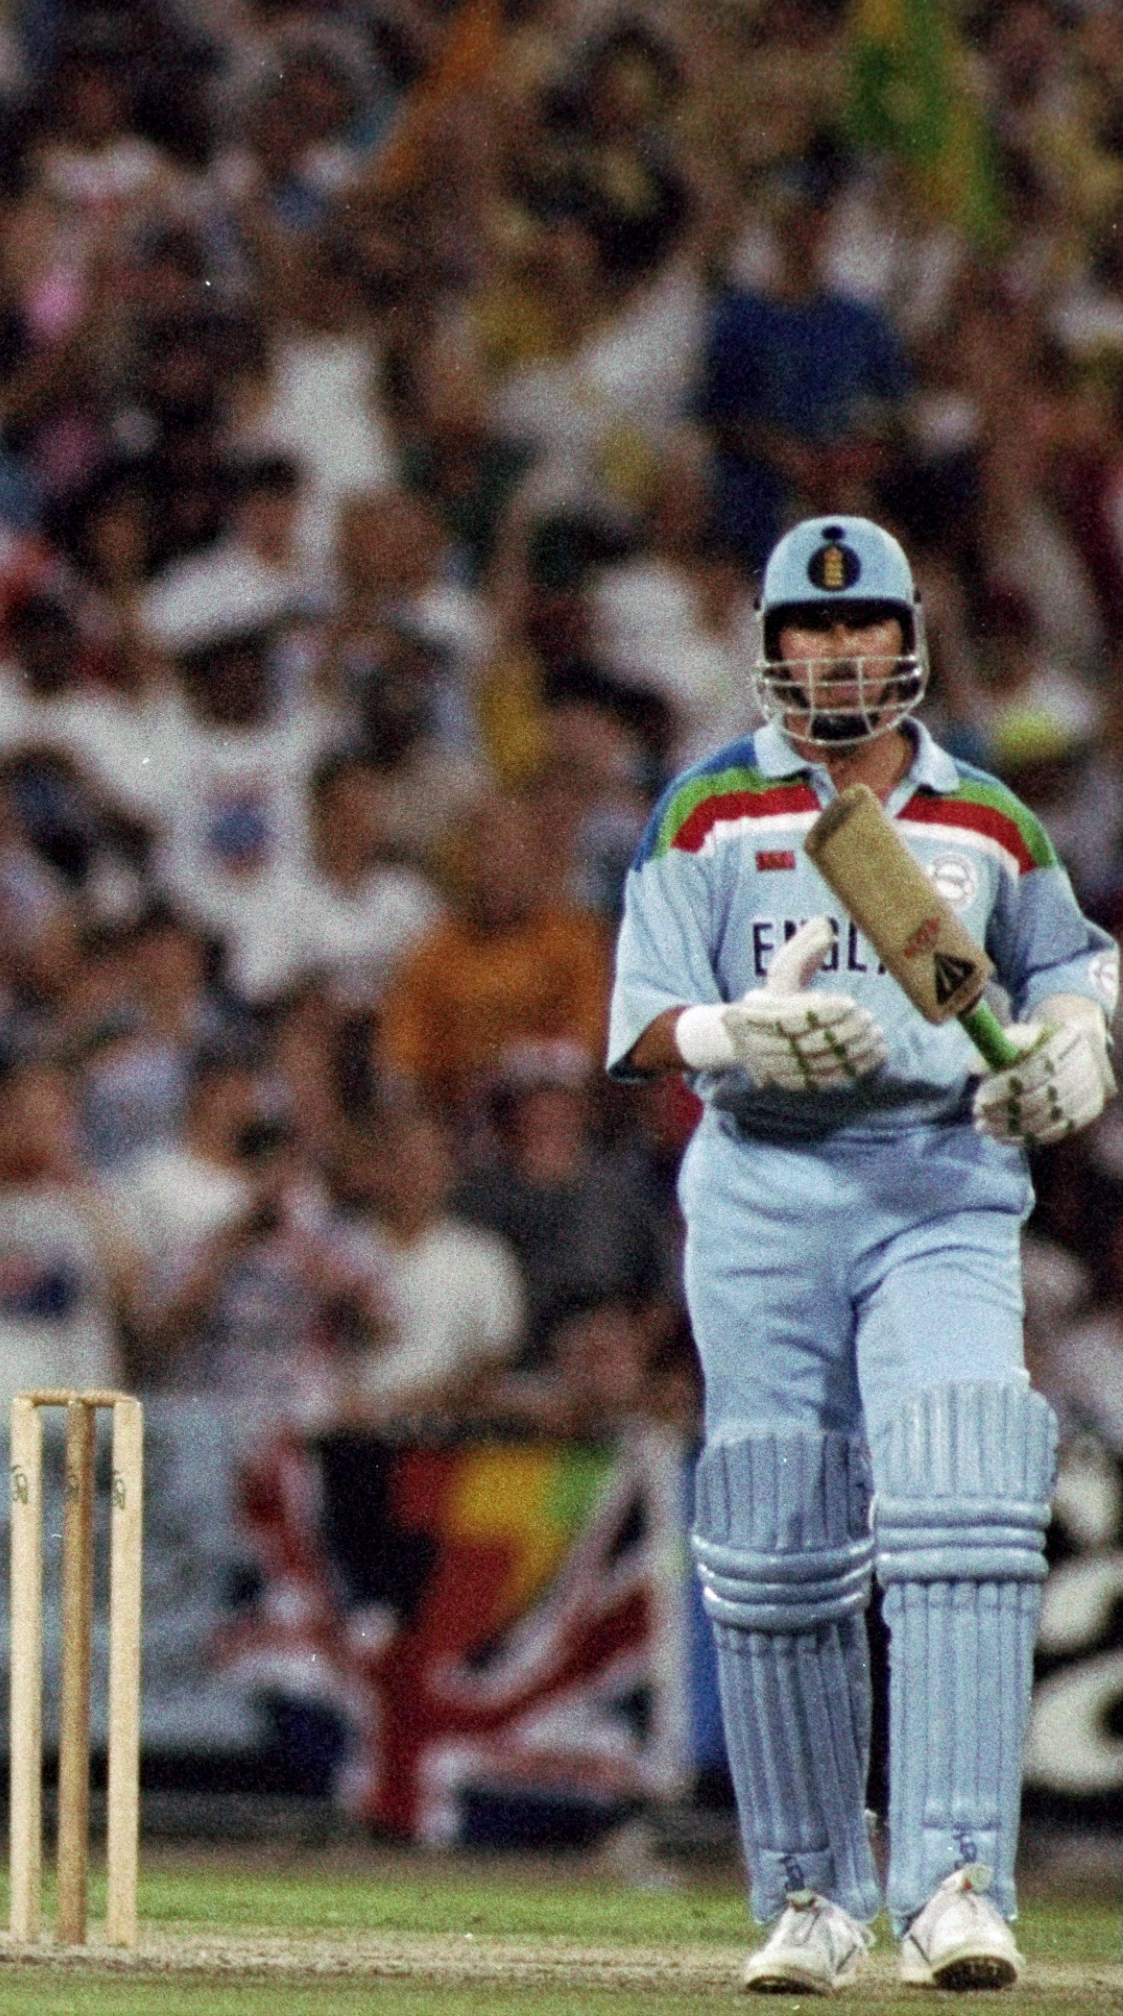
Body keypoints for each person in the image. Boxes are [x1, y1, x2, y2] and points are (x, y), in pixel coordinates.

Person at [610, 516, 1117, 1993]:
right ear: (771, 650)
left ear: (911, 641)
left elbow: (1072, 963)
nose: (838, 654)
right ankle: (810, 1898)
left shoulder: (987, 823)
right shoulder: (707, 812)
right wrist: (728, 1032)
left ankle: (958, 1879)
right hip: (762, 1187)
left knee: (964, 1495)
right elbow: (641, 1022)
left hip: (943, 1182)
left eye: (864, 627)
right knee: (774, 1539)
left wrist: (1076, 1047)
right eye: (810, 633)